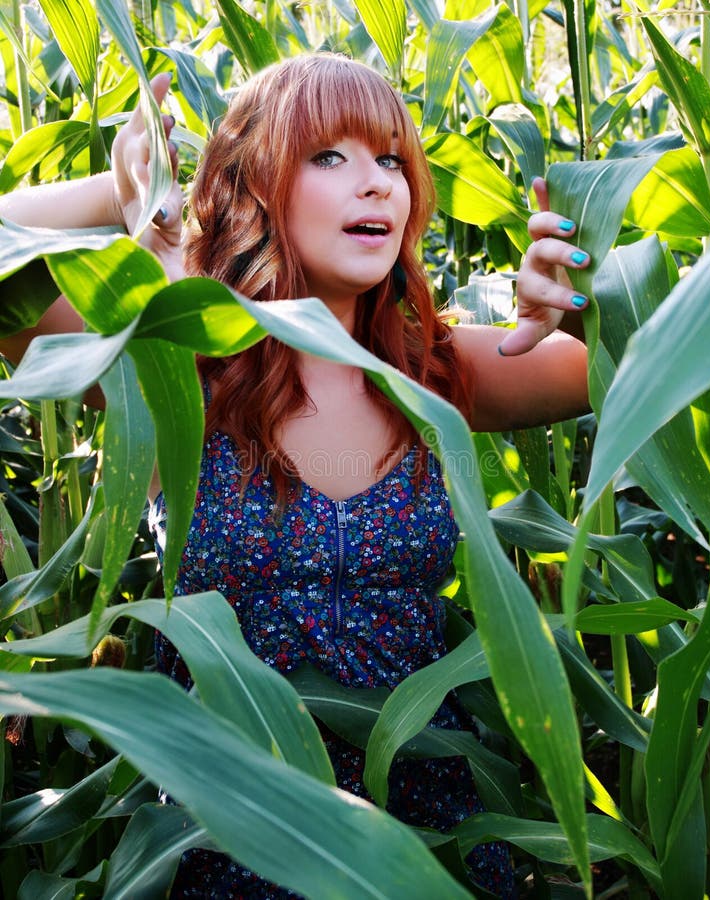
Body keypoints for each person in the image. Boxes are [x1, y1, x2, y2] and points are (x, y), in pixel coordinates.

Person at [0, 54, 590, 899]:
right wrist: (117, 185)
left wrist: (571, 303)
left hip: (431, 847)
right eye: (329, 156)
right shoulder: (175, 364)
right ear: (252, 183)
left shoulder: (435, 371)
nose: (376, 184)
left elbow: (644, 357)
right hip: (227, 847)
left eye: (391, 160)